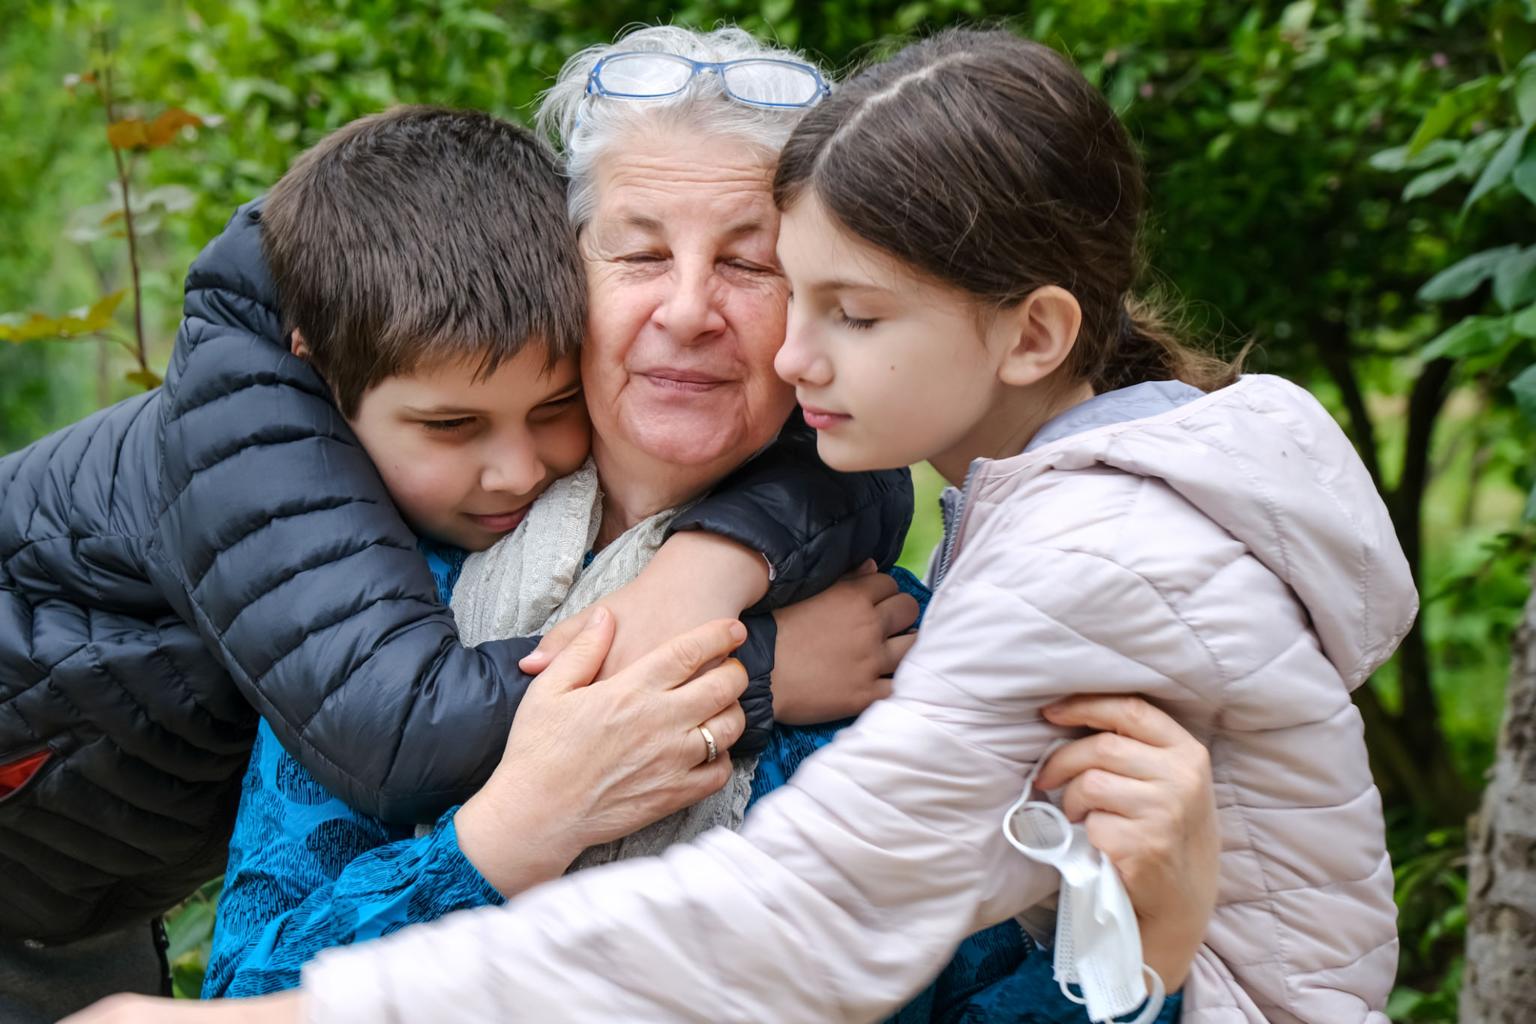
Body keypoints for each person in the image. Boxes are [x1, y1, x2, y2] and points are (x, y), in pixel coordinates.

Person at [81, 26, 1413, 1024]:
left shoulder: (916, 642)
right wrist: (514, 830)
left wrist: (1151, 946)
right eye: (641, 252)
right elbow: (254, 987)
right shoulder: (410, 587)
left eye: (752, 263)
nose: (690, 311)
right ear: (565, 280)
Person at [0, 98, 913, 1022]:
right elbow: (397, 730)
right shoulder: (274, 455)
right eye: (639, 253)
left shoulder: (426, 421)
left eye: (751, 265)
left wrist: (707, 566)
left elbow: (870, 458)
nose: (514, 468)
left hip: (98, 858)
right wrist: (755, 671)